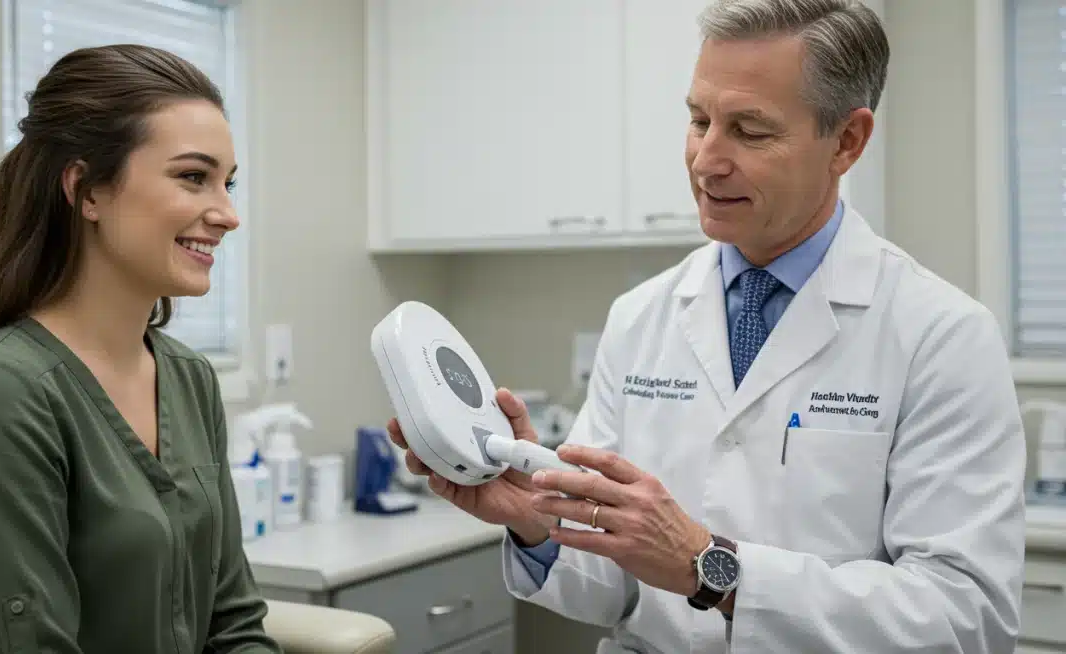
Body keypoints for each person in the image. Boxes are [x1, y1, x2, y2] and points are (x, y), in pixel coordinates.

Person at [388, 0, 1027, 652]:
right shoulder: (640, 316)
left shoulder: (942, 337)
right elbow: (612, 587)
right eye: (698, 121)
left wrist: (715, 570)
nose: (706, 160)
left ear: (848, 141)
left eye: (749, 130)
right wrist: (538, 522)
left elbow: (964, 618)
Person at [0, 44, 280, 653]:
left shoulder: (189, 378)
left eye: (227, 184)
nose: (228, 214)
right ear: (87, 190)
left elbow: (232, 623)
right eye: (192, 177)